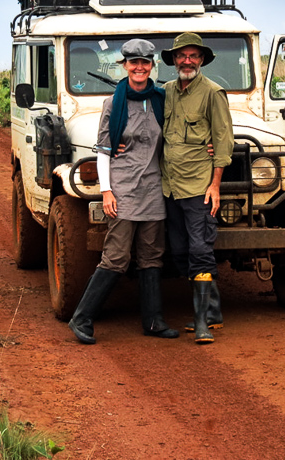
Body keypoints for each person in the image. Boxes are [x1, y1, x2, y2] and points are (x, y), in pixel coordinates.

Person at [68, 39, 179, 344]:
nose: (139, 67)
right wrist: (107, 191)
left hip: (154, 188)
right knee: (116, 256)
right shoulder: (113, 104)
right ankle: (82, 318)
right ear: (125, 66)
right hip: (123, 189)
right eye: (134, 62)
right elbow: (104, 151)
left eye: (145, 62)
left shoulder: (161, 99)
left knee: (152, 256)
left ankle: (154, 321)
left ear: (152, 65)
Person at [160, 32, 234, 344]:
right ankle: (213, 310)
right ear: (174, 60)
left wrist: (215, 185)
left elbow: (223, 142)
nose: (187, 61)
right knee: (179, 251)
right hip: (170, 187)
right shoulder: (166, 91)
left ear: (202, 60)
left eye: (193, 56)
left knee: (201, 251)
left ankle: (202, 322)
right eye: (182, 55)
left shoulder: (213, 93)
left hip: (199, 187)